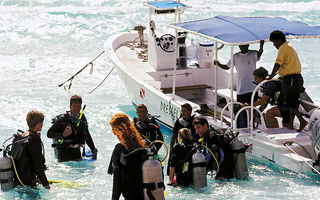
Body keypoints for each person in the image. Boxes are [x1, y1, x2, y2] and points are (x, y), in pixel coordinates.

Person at [215, 41, 264, 127]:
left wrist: (261, 45)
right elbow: (227, 66)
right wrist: (218, 64)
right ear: (239, 46)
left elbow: (259, 54)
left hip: (252, 87)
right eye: (242, 45)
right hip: (241, 88)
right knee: (241, 109)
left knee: (252, 108)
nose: (243, 46)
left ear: (248, 45)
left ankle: (251, 125)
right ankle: (242, 126)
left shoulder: (253, 53)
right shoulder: (235, 56)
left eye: (245, 45)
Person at [268, 30, 308, 132]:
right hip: (295, 78)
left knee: (291, 103)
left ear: (279, 40)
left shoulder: (283, 48)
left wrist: (270, 76)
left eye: (274, 42)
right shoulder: (289, 47)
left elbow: (277, 64)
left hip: (291, 79)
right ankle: (290, 125)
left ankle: (302, 121)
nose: (274, 45)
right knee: (292, 103)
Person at [108, 113, 148, 200]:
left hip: (131, 196)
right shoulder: (143, 145)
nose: (114, 133)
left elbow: (117, 182)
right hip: (148, 195)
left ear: (119, 130)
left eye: (114, 129)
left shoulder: (120, 150)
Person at [47, 94, 97, 162]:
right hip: (64, 155)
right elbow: (49, 134)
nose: (77, 109)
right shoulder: (63, 120)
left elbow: (87, 136)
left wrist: (93, 150)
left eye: (79, 107)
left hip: (76, 153)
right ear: (70, 106)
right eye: (74, 106)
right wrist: (63, 135)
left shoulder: (81, 118)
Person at [13, 110, 50, 189]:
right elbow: (38, 165)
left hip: (17, 182)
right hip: (28, 184)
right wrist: (46, 184)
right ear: (38, 123)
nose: (42, 125)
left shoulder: (19, 137)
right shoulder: (34, 140)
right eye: (42, 122)